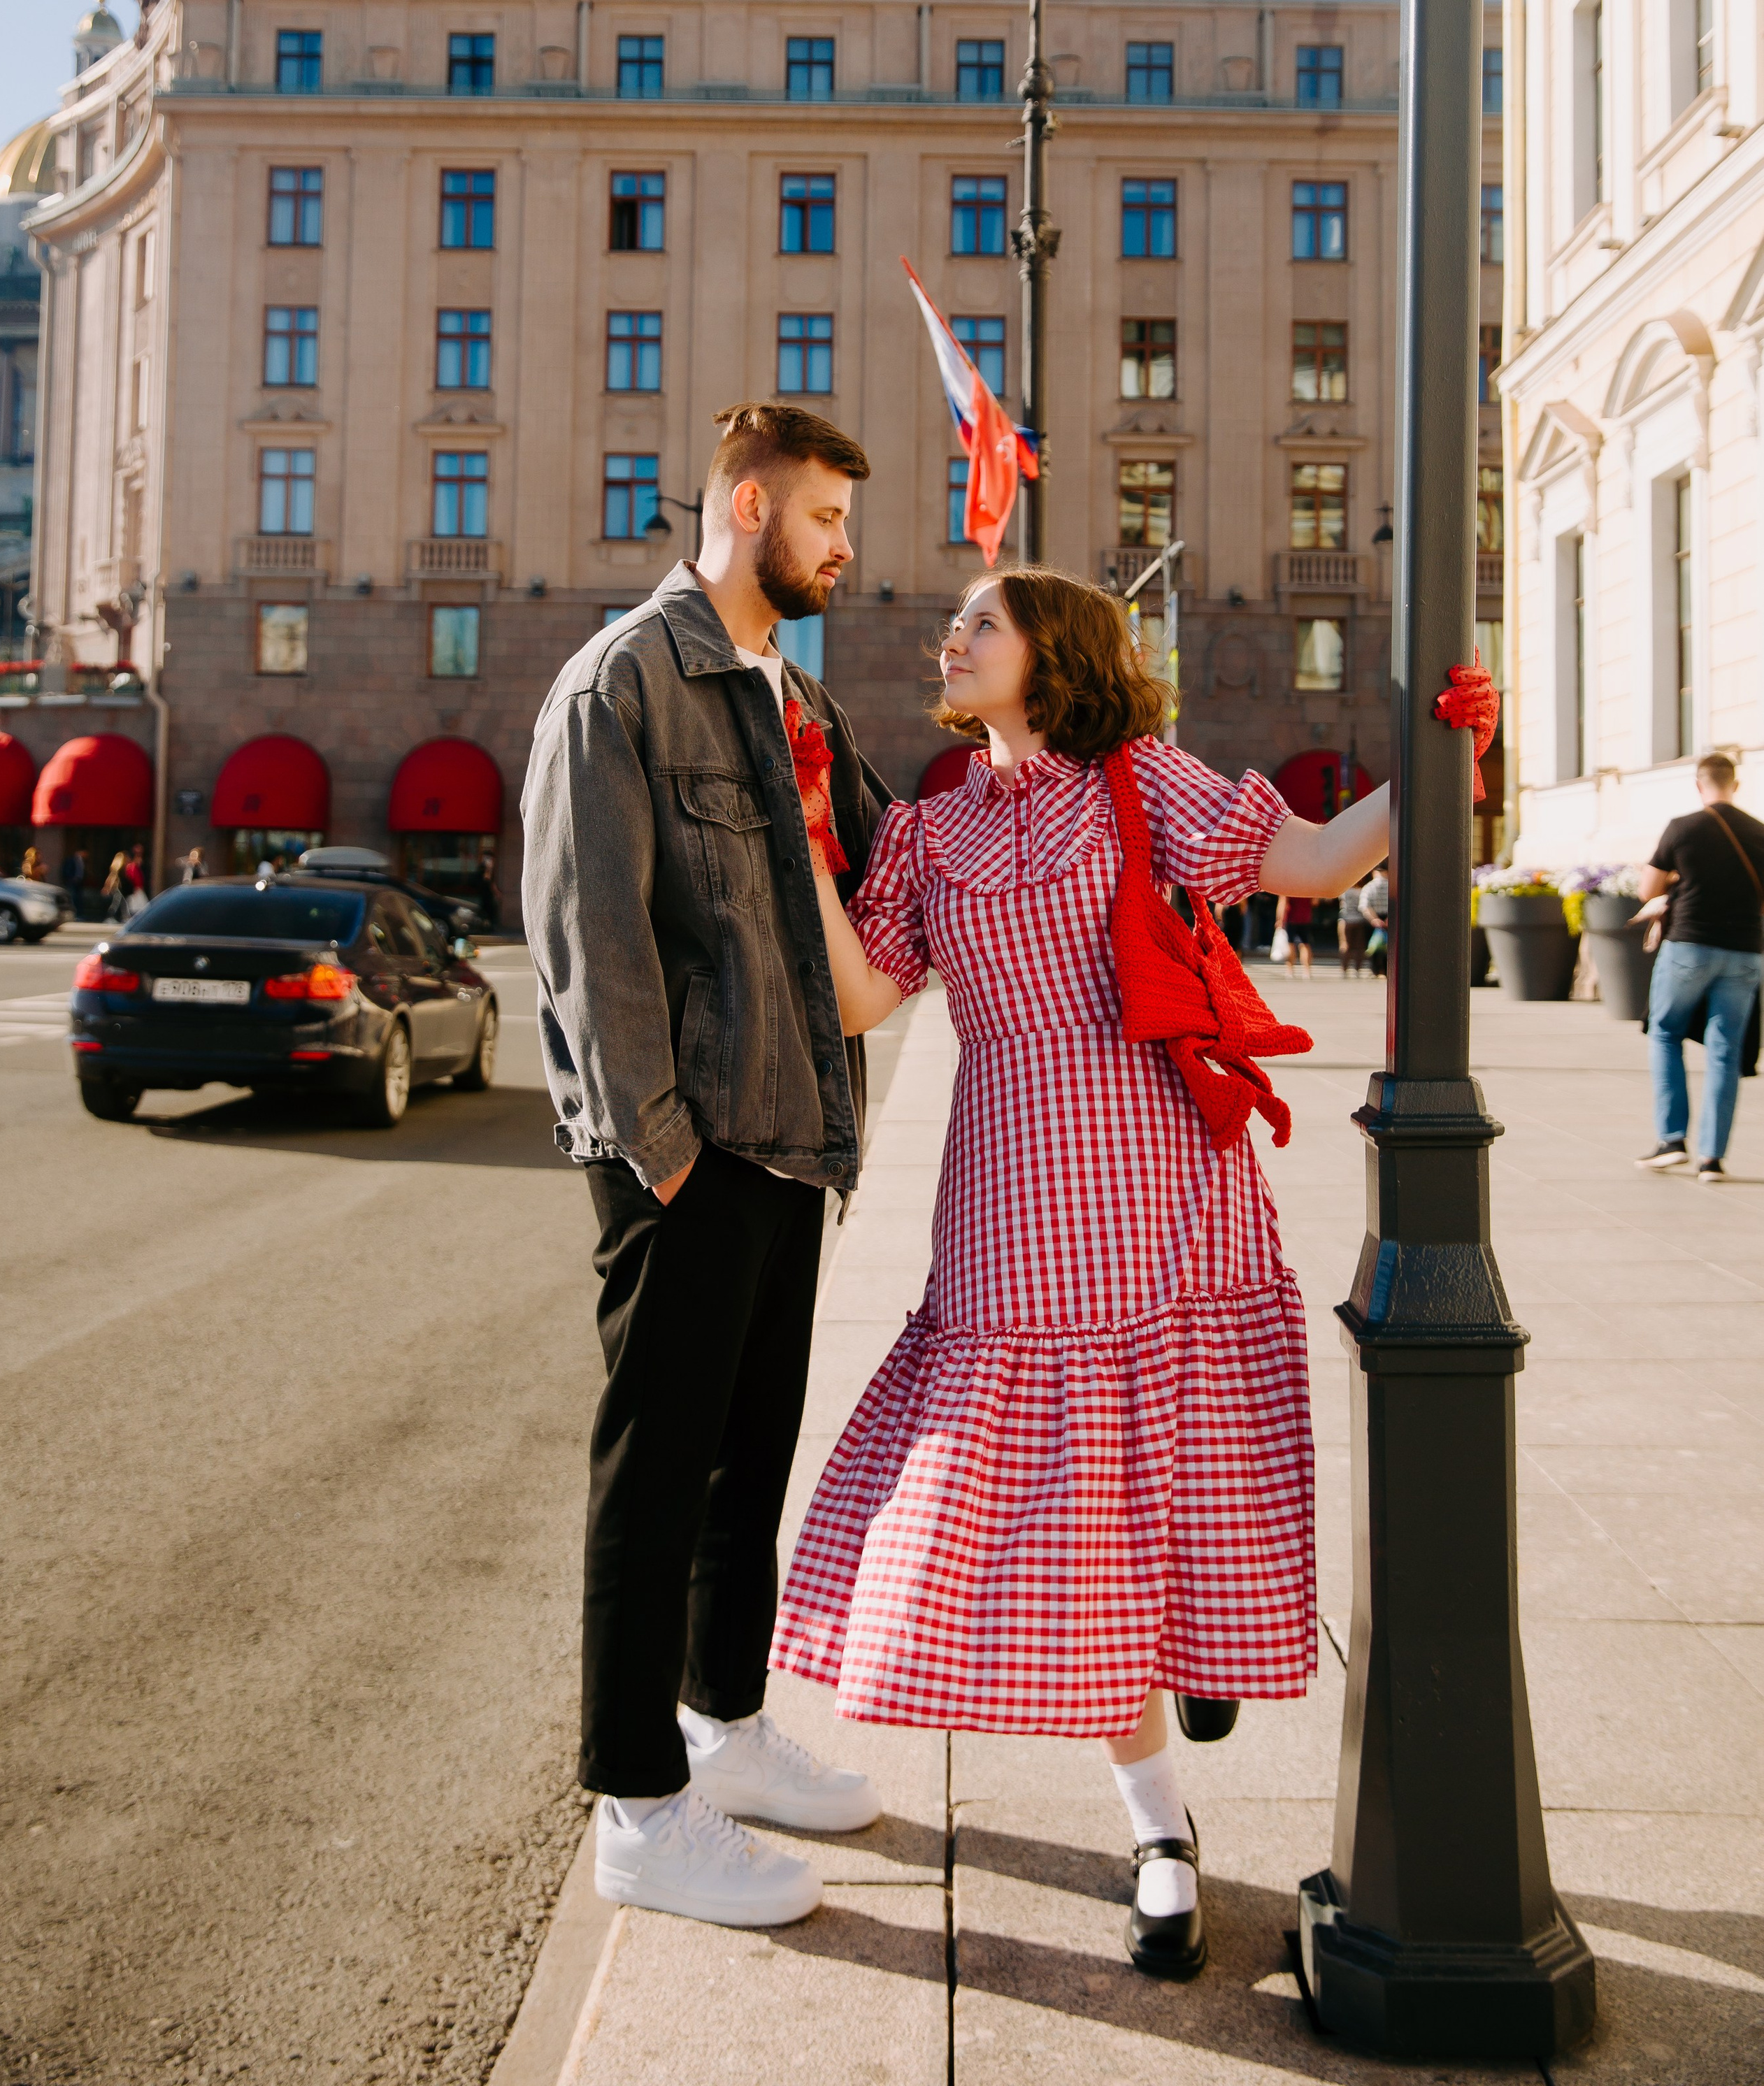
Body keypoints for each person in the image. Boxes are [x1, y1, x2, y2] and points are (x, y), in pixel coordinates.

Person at [772, 568, 1421, 1985]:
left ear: (1050, 654)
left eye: (982, 620)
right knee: (1071, 1532)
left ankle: (1192, 1657)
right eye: (955, 620)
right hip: (1007, 1199)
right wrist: (810, 842)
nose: (953, 633)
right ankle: (1159, 1833)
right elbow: (863, 1000)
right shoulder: (931, 830)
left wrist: (1443, 762)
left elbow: (1313, 864)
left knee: (1165, 1477)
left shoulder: (1138, 783)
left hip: (1166, 1183)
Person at [521, 402, 892, 1936]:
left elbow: (894, 860)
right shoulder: (621, 682)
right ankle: (635, 1804)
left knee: (753, 1461)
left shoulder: (783, 698)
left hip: (788, 1135)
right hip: (685, 1153)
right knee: (657, 1470)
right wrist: (656, 1151)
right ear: (747, 507)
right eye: (823, 522)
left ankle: (722, 1731)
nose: (842, 550)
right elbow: (587, 934)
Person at [1635, 751, 1764, 1181]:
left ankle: (1672, 1140)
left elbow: (1646, 889)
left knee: (1666, 1032)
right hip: (1746, 951)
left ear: (1698, 784)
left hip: (1689, 947)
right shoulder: (1759, 832)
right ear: (1736, 785)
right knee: (1726, 1051)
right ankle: (1712, 1158)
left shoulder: (1684, 827)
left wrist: (1676, 881)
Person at [1275, 891, 1314, 979]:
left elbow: (1283, 902)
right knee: (1305, 944)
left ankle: (1290, 969)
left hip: (1291, 918)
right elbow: (1315, 902)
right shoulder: (1308, 887)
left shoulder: (1289, 887)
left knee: (1290, 944)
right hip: (1305, 917)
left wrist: (1279, 920)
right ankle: (1307, 970)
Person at [1338, 877, 1370, 977]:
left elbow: (1341, 904)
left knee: (1345, 945)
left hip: (1345, 919)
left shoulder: (1344, 892)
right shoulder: (1361, 891)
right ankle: (1357, 969)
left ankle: (1344, 968)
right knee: (1359, 946)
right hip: (1359, 919)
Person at [1362, 865, 1391, 975]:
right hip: (1389, 919)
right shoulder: (1392, 886)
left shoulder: (1368, 887)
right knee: (1389, 947)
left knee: (1373, 946)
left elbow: (1365, 906)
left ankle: (1375, 970)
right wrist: (1390, 919)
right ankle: (1387, 970)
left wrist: (1374, 920)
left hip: (1373, 921)